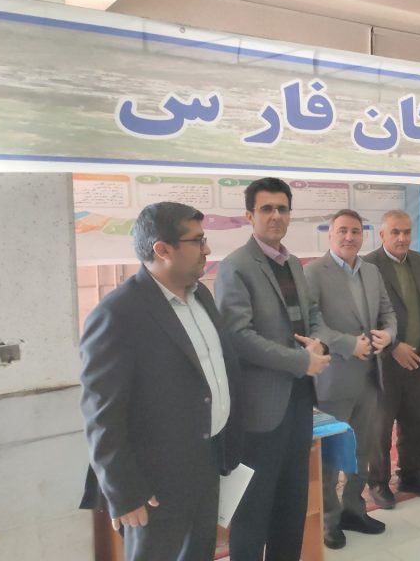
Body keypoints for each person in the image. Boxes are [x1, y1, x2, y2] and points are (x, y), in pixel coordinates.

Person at [79, 202, 242, 561]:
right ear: (163, 249)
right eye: (197, 241)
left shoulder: (201, 296)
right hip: (153, 484)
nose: (207, 249)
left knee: (199, 553)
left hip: (207, 463)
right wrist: (124, 492)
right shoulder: (119, 313)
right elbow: (102, 415)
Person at [215, 177, 333, 561]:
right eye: (266, 208)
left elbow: (311, 315)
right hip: (261, 411)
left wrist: (319, 343)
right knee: (253, 510)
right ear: (249, 215)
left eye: (282, 208)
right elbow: (238, 337)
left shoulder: (293, 263)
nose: (275, 216)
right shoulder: (236, 267)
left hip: (299, 402)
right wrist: (301, 360)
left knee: (292, 503)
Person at [304, 209, 396, 549]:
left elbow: (388, 312)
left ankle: (354, 510)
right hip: (333, 381)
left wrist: (389, 334)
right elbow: (312, 323)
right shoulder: (314, 272)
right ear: (330, 235)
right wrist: (347, 344)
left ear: (363, 236)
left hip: (371, 378)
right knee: (329, 458)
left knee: (363, 450)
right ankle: (329, 521)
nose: (349, 237)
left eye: (355, 231)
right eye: (342, 230)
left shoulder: (371, 271)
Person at [364, 209, 420, 508]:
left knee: (416, 421)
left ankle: (410, 476)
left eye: (407, 232)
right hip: (383, 363)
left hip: (418, 360)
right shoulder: (368, 266)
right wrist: (393, 346)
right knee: (381, 428)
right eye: (395, 232)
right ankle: (378, 482)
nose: (402, 238)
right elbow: (365, 316)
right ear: (382, 234)